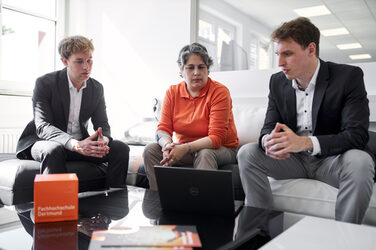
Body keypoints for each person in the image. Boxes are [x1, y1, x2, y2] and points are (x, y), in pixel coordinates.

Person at [237, 17, 375, 224]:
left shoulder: (348, 77)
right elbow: (267, 127)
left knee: (361, 161)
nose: (280, 63)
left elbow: (357, 135)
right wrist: (269, 141)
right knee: (247, 153)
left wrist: (305, 143)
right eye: (278, 54)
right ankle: (258, 229)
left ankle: (346, 235)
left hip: (332, 160)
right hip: (292, 160)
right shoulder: (277, 81)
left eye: (288, 54)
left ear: (311, 49)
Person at [16, 35, 129, 188]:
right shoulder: (45, 83)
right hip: (45, 142)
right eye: (79, 61)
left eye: (89, 60)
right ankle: (55, 207)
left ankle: (114, 204)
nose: (86, 67)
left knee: (120, 148)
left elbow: (103, 124)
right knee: (53, 149)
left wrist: (104, 141)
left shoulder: (96, 88)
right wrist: (75, 144)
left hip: (80, 143)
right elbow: (43, 126)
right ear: (65, 61)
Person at [143, 42, 239, 190]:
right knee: (150, 150)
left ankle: (203, 208)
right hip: (186, 148)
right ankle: (160, 201)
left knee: (204, 153)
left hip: (222, 149)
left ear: (207, 69)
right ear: (181, 70)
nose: (196, 72)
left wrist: (185, 148)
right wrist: (167, 145)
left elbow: (216, 138)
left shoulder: (219, 92)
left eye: (201, 67)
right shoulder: (172, 92)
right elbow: (163, 129)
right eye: (190, 67)